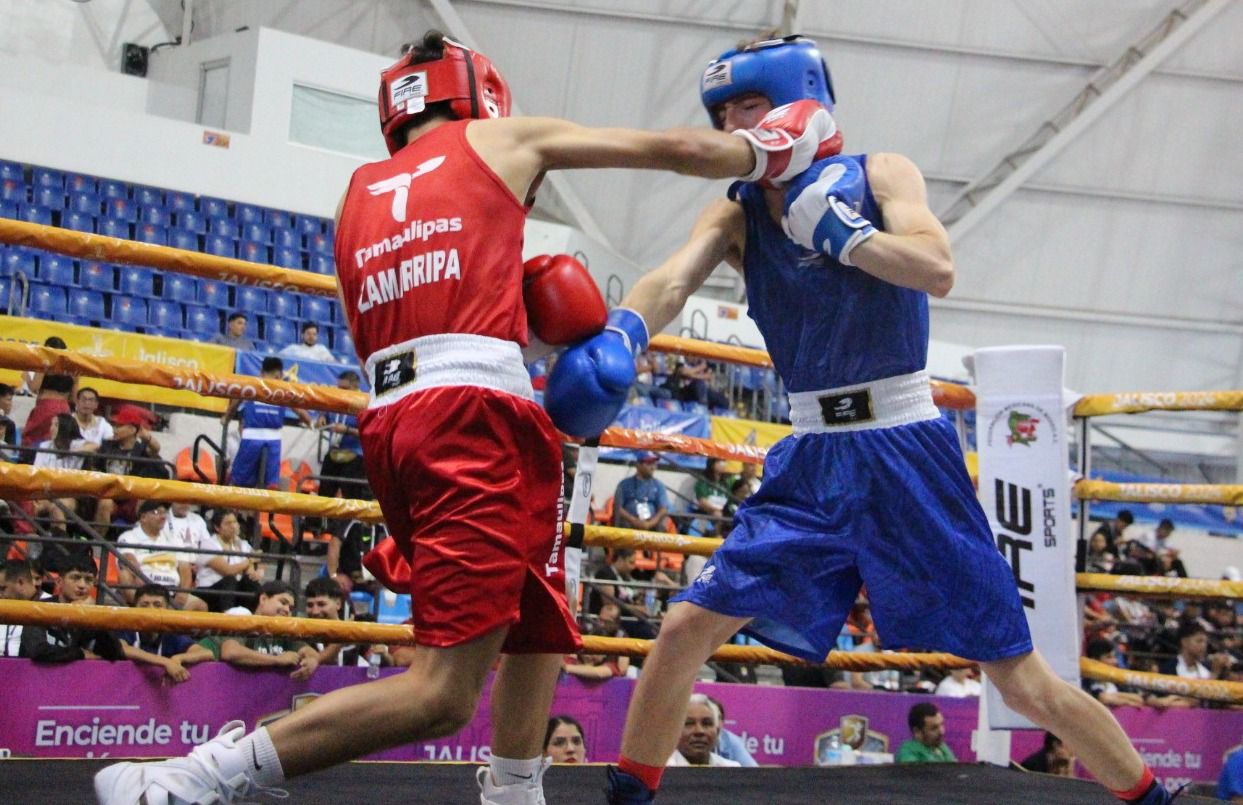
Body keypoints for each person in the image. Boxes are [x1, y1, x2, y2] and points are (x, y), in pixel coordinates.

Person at [95, 27, 837, 805]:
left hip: (404, 415)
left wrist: (506, 304)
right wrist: (773, 145)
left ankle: (514, 791)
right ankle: (192, 777)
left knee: (538, 622)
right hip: (472, 419)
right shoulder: (500, 136)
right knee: (443, 692)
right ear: (479, 93)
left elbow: (376, 329)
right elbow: (674, 148)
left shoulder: (355, 193)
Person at [600, 35, 1172, 805]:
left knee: (1018, 675)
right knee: (682, 630)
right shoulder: (736, 210)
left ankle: (1152, 796)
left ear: (797, 100)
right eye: (722, 109)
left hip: (904, 445)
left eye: (748, 102)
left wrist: (844, 235)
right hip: (809, 458)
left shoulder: (878, 172)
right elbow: (672, 277)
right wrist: (622, 333)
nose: (733, 120)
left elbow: (936, 267)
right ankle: (628, 794)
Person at [222, 356, 312, 489]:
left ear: (261, 372)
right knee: (271, 485)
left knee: (238, 481)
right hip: (273, 441)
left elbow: (234, 404)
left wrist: (226, 418)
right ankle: (263, 509)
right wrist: (310, 423)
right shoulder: (284, 389)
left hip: (251, 438)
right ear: (280, 374)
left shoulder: (252, 385)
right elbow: (301, 413)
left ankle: (231, 509)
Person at [115, 500, 207, 611]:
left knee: (200, 606)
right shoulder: (129, 536)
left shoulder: (174, 539)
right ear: (143, 517)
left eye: (164, 513)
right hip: (142, 590)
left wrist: (183, 593)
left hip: (171, 593)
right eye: (156, 512)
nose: (163, 516)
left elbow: (185, 568)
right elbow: (129, 560)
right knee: (125, 575)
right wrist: (146, 586)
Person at [115, 584, 206, 684]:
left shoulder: (172, 633)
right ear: (134, 608)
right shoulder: (126, 627)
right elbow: (122, 648)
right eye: (144, 605)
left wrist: (178, 658)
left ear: (167, 609)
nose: (151, 610)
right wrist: (166, 662)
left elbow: (206, 653)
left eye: (157, 605)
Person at [194, 509, 263, 612]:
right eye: (228, 523)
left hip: (234, 591)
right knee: (230, 580)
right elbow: (228, 570)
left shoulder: (242, 543)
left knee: (250, 582)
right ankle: (226, 620)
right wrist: (250, 560)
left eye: (234, 522)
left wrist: (258, 571)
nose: (233, 526)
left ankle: (254, 618)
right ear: (217, 528)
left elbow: (254, 564)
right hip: (209, 591)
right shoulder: (209, 544)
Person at [21, 335, 76, 452]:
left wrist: (26, 377)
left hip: (45, 407)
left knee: (32, 440)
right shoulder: (72, 369)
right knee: (58, 442)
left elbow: (35, 388)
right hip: (64, 409)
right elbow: (74, 398)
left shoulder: (45, 364)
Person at [667, 694, 741, 767]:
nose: (699, 731)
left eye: (706, 723)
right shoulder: (662, 770)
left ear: (717, 731)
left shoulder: (731, 770)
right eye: (689, 723)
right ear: (674, 731)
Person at [612, 452, 671, 534]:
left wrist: (649, 524)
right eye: (649, 463)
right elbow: (617, 507)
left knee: (663, 523)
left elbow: (663, 509)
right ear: (638, 465)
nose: (653, 467)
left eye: (654, 464)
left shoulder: (658, 485)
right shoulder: (624, 484)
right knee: (622, 525)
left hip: (651, 524)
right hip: (629, 523)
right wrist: (633, 520)